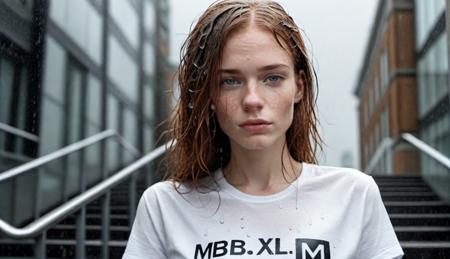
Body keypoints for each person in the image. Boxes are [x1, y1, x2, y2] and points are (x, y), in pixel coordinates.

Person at [123, 0, 404, 258]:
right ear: (208, 96)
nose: (252, 100)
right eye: (229, 81)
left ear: (299, 87)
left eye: (272, 78)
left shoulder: (354, 195)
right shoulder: (164, 206)